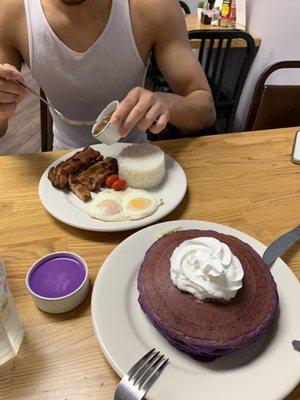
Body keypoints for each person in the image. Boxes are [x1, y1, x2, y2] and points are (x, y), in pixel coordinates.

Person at [0, 0, 216, 149]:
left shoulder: (152, 6)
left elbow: (205, 110)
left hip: (135, 156)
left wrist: (165, 102)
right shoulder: (10, 11)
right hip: (63, 160)